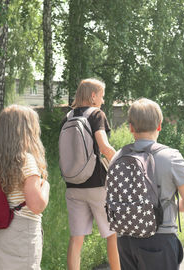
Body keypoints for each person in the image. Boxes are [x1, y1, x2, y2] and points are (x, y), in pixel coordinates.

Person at [115, 98, 184, 270]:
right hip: (159, 239)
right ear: (159, 125)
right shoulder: (171, 157)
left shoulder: (117, 157)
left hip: (125, 239)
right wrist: (168, 207)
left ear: (131, 127)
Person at [61, 78, 120, 270]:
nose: (103, 100)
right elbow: (103, 146)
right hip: (97, 185)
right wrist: (119, 160)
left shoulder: (68, 117)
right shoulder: (96, 115)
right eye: (102, 96)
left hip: (73, 185)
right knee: (112, 234)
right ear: (93, 96)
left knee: (76, 238)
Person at [0, 105, 50, 270]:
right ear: (26, 131)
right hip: (22, 230)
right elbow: (36, 206)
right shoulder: (25, 161)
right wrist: (45, 185)